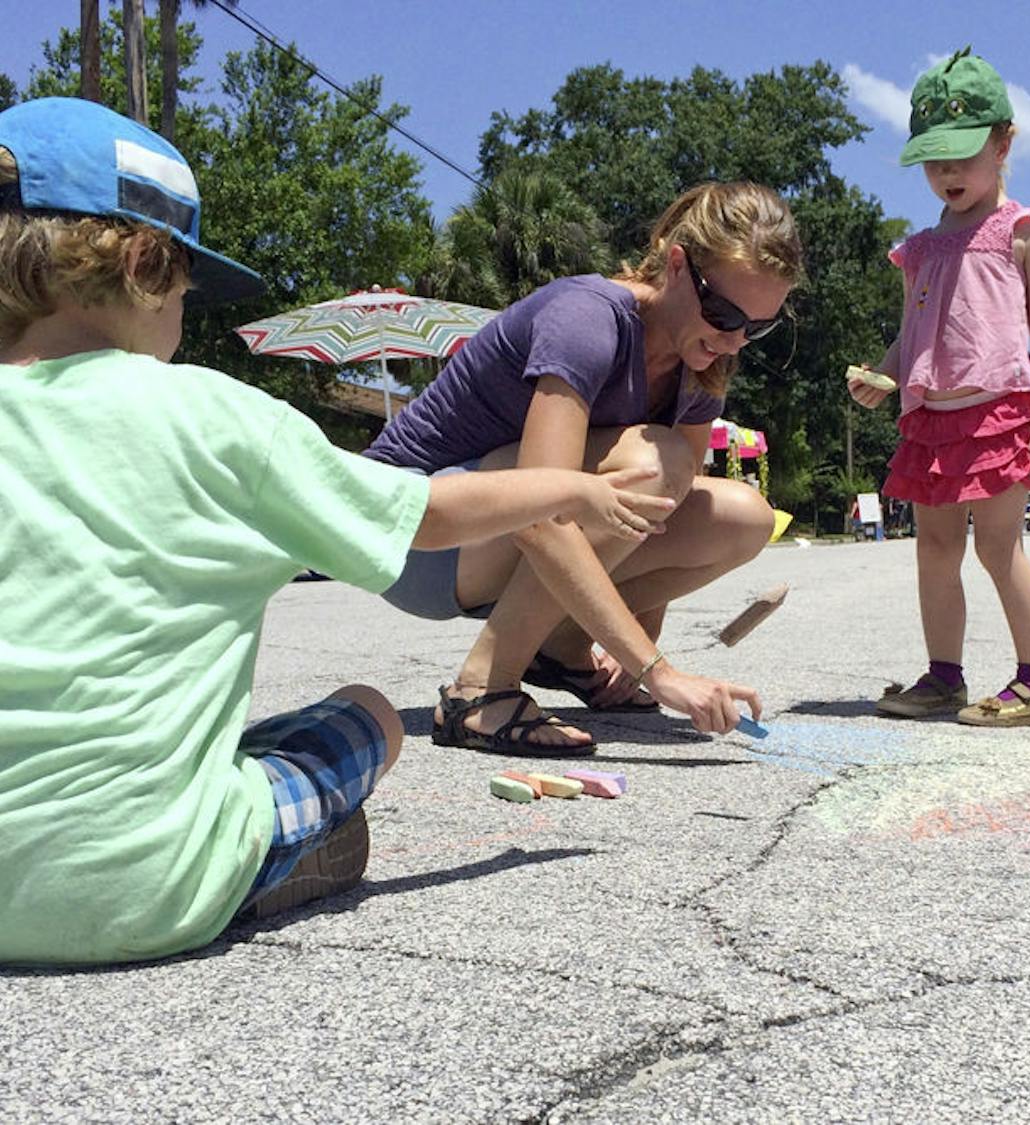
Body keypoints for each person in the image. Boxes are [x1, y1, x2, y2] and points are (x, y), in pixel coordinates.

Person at [0, 98, 671, 965]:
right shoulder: (214, 416)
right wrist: (570, 486)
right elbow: (425, 512)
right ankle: (272, 861)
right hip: (145, 888)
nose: (183, 316)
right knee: (367, 716)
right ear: (140, 262)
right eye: (187, 288)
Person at [365, 182, 798, 752]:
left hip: (485, 539)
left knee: (744, 516)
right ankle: (481, 689)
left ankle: (562, 648)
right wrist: (657, 671)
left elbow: (657, 515)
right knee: (656, 462)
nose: (735, 341)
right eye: (723, 313)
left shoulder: (702, 362)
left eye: (756, 328)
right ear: (675, 266)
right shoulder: (589, 319)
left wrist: (632, 651)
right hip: (409, 537)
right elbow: (540, 517)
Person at [847, 47, 1030, 728]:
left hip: (999, 409)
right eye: (934, 159)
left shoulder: (1023, 231)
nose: (947, 172)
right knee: (935, 549)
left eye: (963, 156)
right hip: (932, 420)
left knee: (999, 548)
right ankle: (943, 675)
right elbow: (912, 331)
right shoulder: (919, 248)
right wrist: (886, 374)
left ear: (1004, 144)